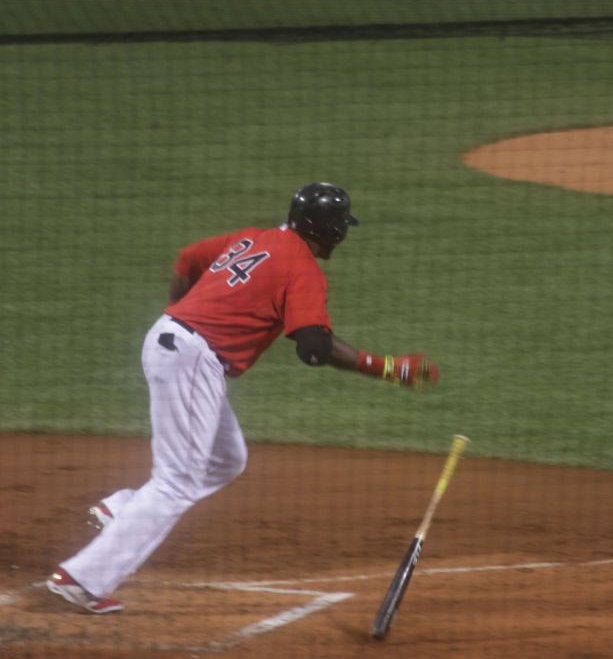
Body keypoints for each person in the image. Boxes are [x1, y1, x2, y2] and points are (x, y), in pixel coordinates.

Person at [46, 182, 440, 613]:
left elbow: (186, 259)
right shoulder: (302, 268)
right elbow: (314, 348)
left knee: (226, 459)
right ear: (328, 230)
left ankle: (122, 509)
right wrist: (387, 367)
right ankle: (83, 578)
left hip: (170, 341)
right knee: (176, 482)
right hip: (193, 357)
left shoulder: (255, 238)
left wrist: (181, 315)